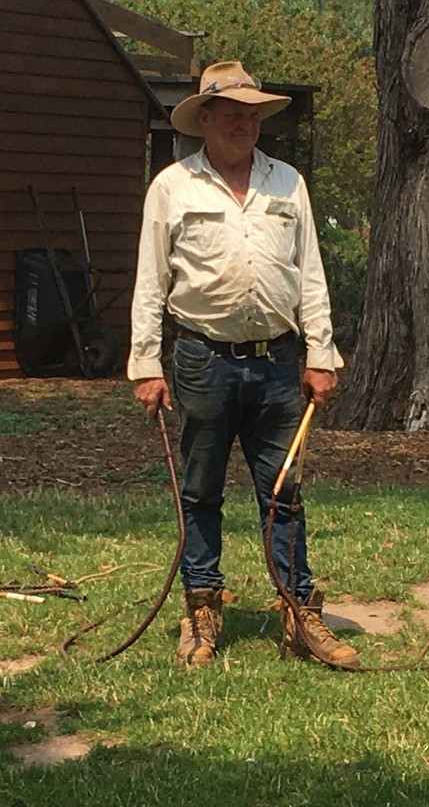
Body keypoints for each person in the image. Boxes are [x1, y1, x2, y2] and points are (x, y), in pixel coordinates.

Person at [127, 61, 357, 668]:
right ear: (205, 119)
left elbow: (311, 274)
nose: (245, 125)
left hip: (281, 364)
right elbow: (151, 282)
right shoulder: (172, 187)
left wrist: (320, 354)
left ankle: (298, 612)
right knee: (200, 491)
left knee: (285, 493)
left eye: (253, 116)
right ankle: (201, 610)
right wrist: (146, 365)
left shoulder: (289, 184)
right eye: (233, 115)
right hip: (203, 360)